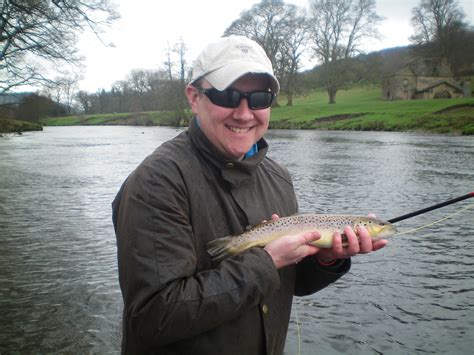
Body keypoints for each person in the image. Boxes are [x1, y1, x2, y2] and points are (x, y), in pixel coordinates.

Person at [112, 35, 387, 354]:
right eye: (228, 95)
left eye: (259, 98)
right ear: (193, 97)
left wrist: (326, 259)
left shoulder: (278, 178)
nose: (244, 114)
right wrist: (267, 261)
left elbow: (288, 284)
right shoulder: (157, 182)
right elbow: (154, 317)